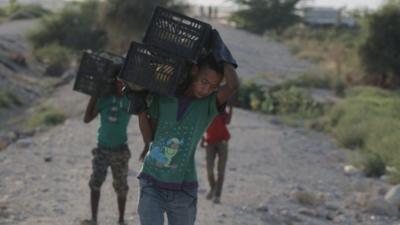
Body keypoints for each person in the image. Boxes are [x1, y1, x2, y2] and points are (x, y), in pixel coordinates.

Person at [136, 29, 239, 225]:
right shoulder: (164, 96)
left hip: (183, 189)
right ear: (194, 71)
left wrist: (222, 54)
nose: (206, 89)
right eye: (204, 81)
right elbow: (151, 138)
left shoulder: (207, 106)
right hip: (151, 181)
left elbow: (233, 85)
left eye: (212, 86)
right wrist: (141, 110)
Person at [81, 79, 132, 225]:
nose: (120, 86)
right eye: (117, 83)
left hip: (120, 150)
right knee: (95, 183)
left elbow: (143, 111)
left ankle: (121, 220)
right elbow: (87, 119)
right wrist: (94, 95)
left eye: (123, 83)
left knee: (121, 187)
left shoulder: (129, 102)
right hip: (102, 149)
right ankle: (94, 219)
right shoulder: (104, 99)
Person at [200, 102, 232, 204]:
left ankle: (217, 195)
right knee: (209, 170)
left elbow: (228, 121)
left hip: (222, 141)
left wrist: (231, 108)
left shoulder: (221, 109)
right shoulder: (206, 110)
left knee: (221, 170)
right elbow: (202, 125)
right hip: (209, 142)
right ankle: (213, 189)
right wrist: (202, 139)